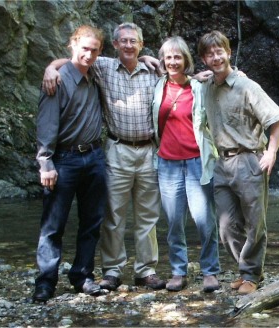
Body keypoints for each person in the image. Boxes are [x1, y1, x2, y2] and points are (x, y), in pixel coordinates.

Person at [42, 22, 165, 291]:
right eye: (124, 41)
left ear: (141, 45)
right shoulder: (102, 66)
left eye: (134, 41)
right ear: (115, 45)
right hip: (116, 148)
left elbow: (184, 78)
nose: (129, 45)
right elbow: (76, 59)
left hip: (149, 150)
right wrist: (51, 67)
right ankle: (112, 270)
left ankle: (146, 270)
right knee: (113, 215)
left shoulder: (156, 70)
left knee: (148, 216)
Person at [197, 30, 279, 295]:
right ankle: (246, 269)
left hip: (249, 160)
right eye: (210, 54)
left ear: (228, 52)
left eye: (220, 51)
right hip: (221, 163)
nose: (216, 57)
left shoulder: (247, 86)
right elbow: (175, 78)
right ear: (204, 59)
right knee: (225, 226)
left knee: (254, 222)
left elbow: (276, 119)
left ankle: (251, 275)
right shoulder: (207, 86)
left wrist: (271, 153)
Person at [32, 25, 107, 303]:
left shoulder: (97, 74)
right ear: (73, 45)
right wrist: (45, 163)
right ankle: (45, 282)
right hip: (63, 159)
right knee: (53, 225)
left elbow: (129, 57)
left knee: (91, 221)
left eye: (94, 50)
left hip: (95, 158)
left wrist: (149, 59)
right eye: (84, 48)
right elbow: (46, 124)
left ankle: (82, 276)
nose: (88, 54)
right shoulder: (57, 80)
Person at [152, 36, 220, 292]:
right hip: (167, 163)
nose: (173, 62)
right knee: (174, 222)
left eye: (177, 57)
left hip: (196, 161)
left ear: (186, 60)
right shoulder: (158, 86)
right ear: (163, 61)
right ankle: (178, 271)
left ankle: (210, 271)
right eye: (168, 57)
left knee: (204, 219)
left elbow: (224, 77)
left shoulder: (199, 86)